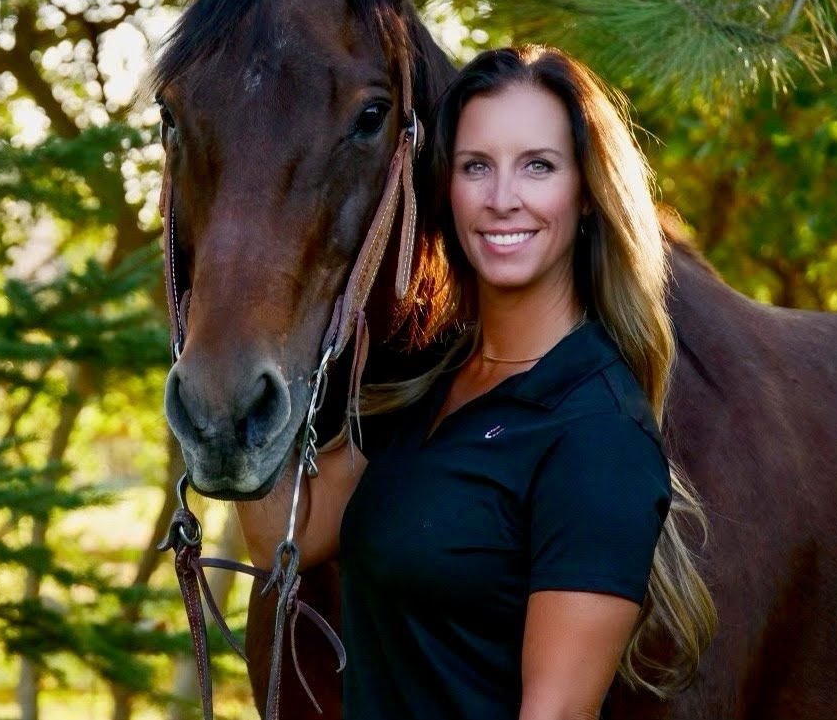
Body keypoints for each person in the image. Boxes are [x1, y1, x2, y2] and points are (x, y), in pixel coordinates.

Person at [238, 45, 715, 720]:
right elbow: (286, 532)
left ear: (586, 195)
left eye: (538, 166)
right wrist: (248, 319)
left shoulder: (595, 432)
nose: (501, 199)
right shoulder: (431, 388)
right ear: (447, 188)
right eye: (476, 167)